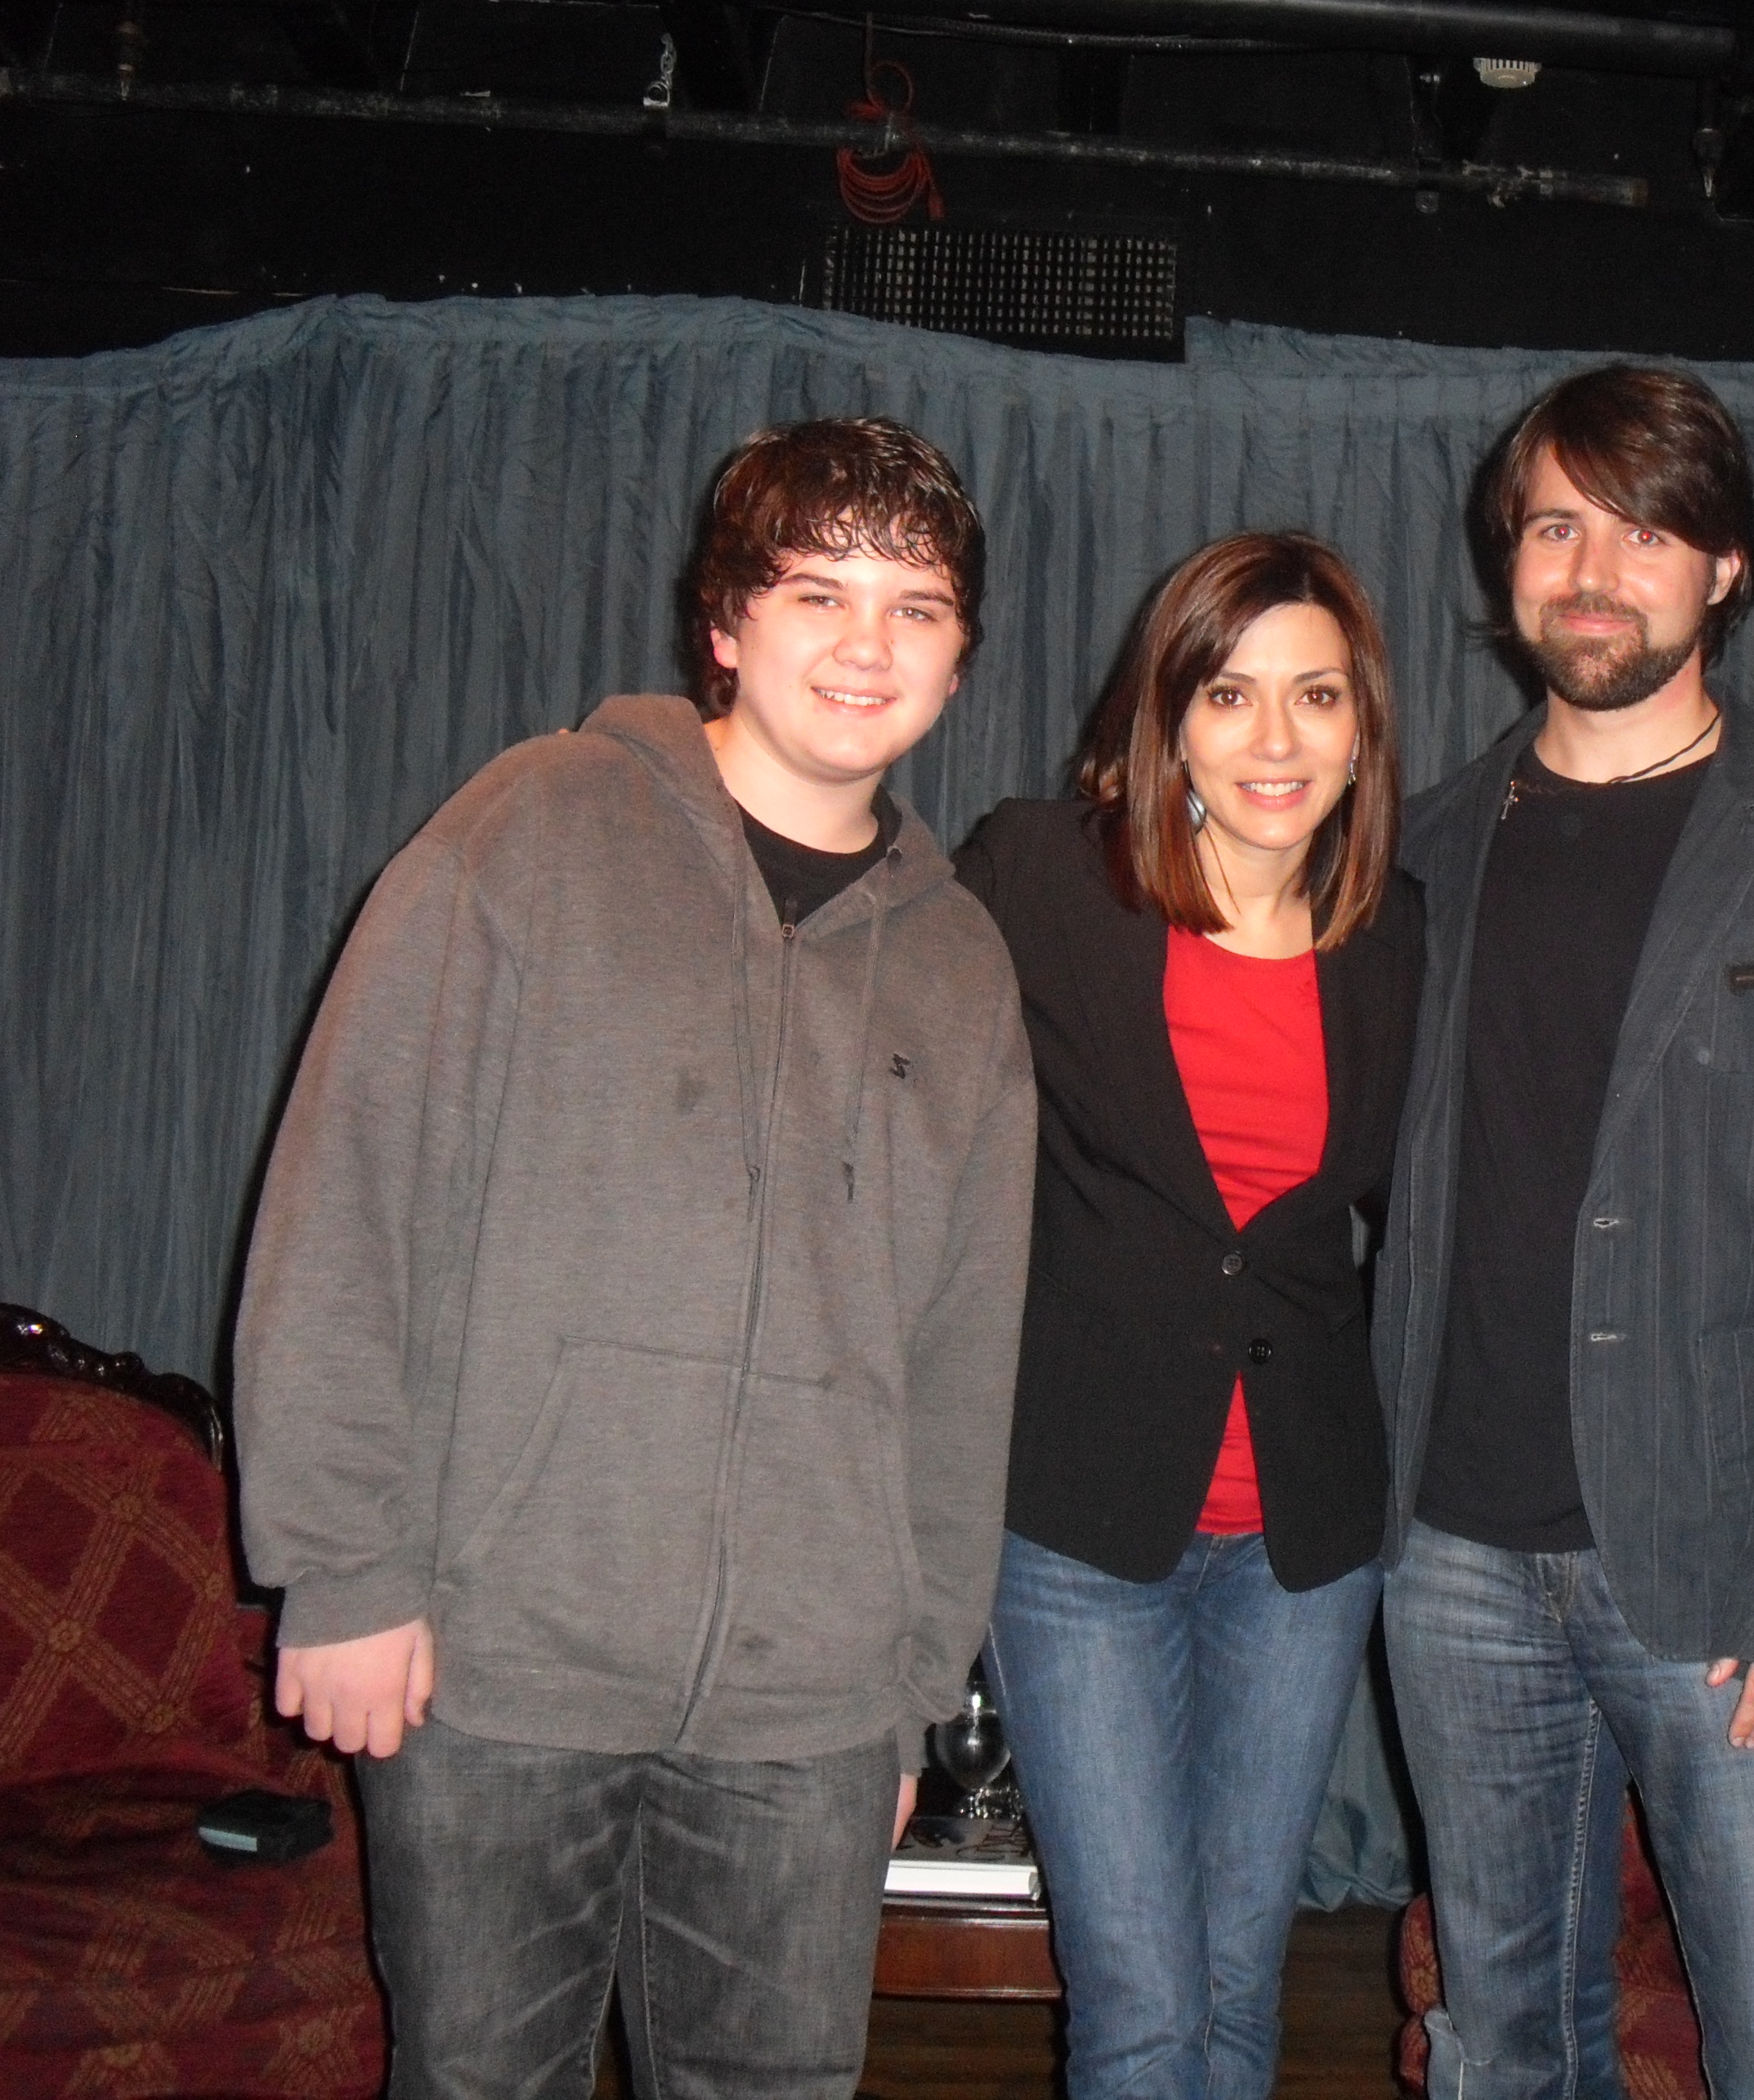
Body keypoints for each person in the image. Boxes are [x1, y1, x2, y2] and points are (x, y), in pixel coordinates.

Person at [231, 418, 1038, 2100]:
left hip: (809, 1711)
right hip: (498, 1663)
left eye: (917, 603)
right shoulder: (529, 830)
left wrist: (908, 1687)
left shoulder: (962, 965)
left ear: (962, 659)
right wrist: (345, 1567)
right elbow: (348, 1196)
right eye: (819, 591)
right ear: (725, 626)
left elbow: (964, 1366)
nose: (867, 641)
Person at [1373, 365, 1754, 2100]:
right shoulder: (1414, 851)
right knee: (1506, 2050)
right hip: (1451, 1559)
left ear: (1728, 569)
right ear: (1506, 566)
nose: (1595, 567)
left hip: (1723, 1580)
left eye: (1646, 527)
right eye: (1556, 524)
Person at [951, 533, 1424, 2100]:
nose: (1276, 741)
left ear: (1365, 726)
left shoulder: (1396, 936)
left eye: (1317, 697)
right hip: (1080, 1524)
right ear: (1169, 716)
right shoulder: (1035, 878)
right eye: (1231, 693)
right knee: (1143, 1998)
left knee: (1238, 1984)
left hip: (1301, 1538)